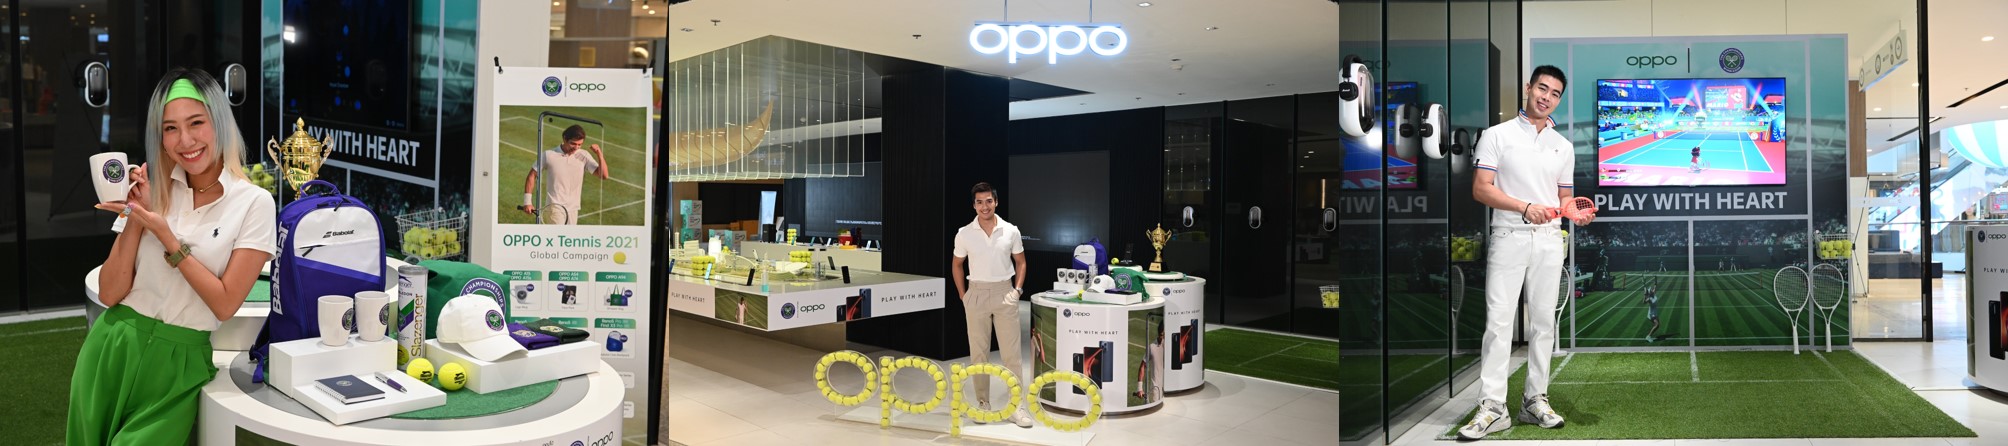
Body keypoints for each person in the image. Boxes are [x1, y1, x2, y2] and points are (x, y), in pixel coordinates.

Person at [71, 68, 278, 445]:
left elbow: (225, 303)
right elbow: (110, 292)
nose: (185, 140)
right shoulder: (153, 186)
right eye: (170, 128)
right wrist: (137, 216)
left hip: (179, 364)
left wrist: (166, 236)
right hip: (112, 346)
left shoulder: (254, 203)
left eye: (196, 122)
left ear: (219, 122)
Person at [1460, 65, 1589, 440]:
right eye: (1542, 88)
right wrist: (1525, 207)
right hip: (1509, 235)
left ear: (1559, 100)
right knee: (1499, 324)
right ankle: (1492, 407)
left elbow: (1564, 197)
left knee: (1544, 323)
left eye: (1555, 93)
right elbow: (1481, 188)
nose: (1547, 97)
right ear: (1528, 88)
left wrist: (1574, 212)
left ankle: (1535, 401)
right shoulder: (1496, 135)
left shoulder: (1563, 146)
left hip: (1550, 239)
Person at [950, 182, 1034, 428]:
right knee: (978, 354)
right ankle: (982, 403)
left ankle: (1015, 406)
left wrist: (1017, 291)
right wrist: (963, 295)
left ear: (996, 202)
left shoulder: (1010, 231)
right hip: (976, 294)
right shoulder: (964, 233)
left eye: (988, 201)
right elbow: (957, 265)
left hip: (1004, 293)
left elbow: (1021, 262)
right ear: (973, 205)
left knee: (1012, 355)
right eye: (979, 202)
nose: (984, 206)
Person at [521, 124, 609, 225]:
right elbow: (532, 175)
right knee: (559, 235)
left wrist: (599, 154)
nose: (576, 147)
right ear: (565, 139)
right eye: (573, 143)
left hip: (573, 209)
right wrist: (527, 202)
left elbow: (604, 175)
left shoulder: (584, 155)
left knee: (569, 235)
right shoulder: (549, 155)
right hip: (554, 208)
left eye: (579, 144)